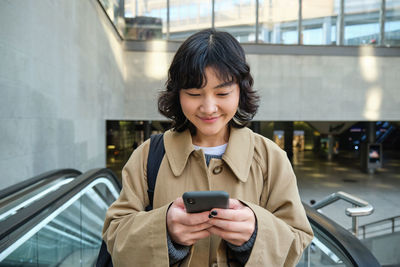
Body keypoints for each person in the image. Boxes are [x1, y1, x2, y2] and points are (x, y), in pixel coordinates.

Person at [102, 29, 313, 267]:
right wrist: (165, 232)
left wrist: (254, 234)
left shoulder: (270, 157)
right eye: (194, 93)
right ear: (177, 94)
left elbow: (299, 240)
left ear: (240, 92)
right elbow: (115, 234)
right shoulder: (148, 154)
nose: (209, 107)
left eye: (222, 93)